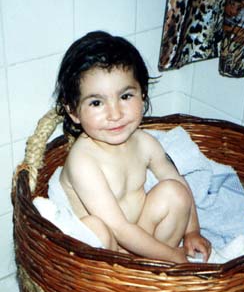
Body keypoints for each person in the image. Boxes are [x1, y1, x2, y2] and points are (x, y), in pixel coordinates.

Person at [54, 30, 211, 264]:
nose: (115, 114)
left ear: (143, 94)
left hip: (142, 239)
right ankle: (132, 277)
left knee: (175, 192)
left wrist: (192, 231)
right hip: (107, 253)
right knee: (95, 227)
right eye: (96, 102)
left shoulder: (145, 143)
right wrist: (173, 256)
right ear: (73, 111)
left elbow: (178, 181)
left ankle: (149, 271)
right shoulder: (83, 160)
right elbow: (117, 228)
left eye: (126, 96)